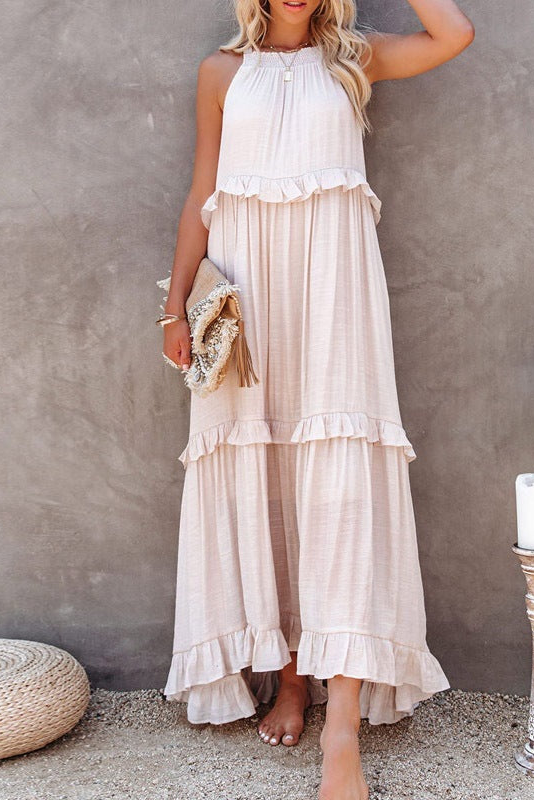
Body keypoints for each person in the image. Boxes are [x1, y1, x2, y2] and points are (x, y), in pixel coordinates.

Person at [158, 1, 474, 797]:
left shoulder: (354, 59)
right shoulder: (221, 72)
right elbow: (202, 190)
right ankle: (292, 677)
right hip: (249, 286)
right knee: (266, 474)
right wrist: (174, 308)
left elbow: (453, 34)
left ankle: (344, 725)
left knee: (339, 480)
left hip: (335, 286)